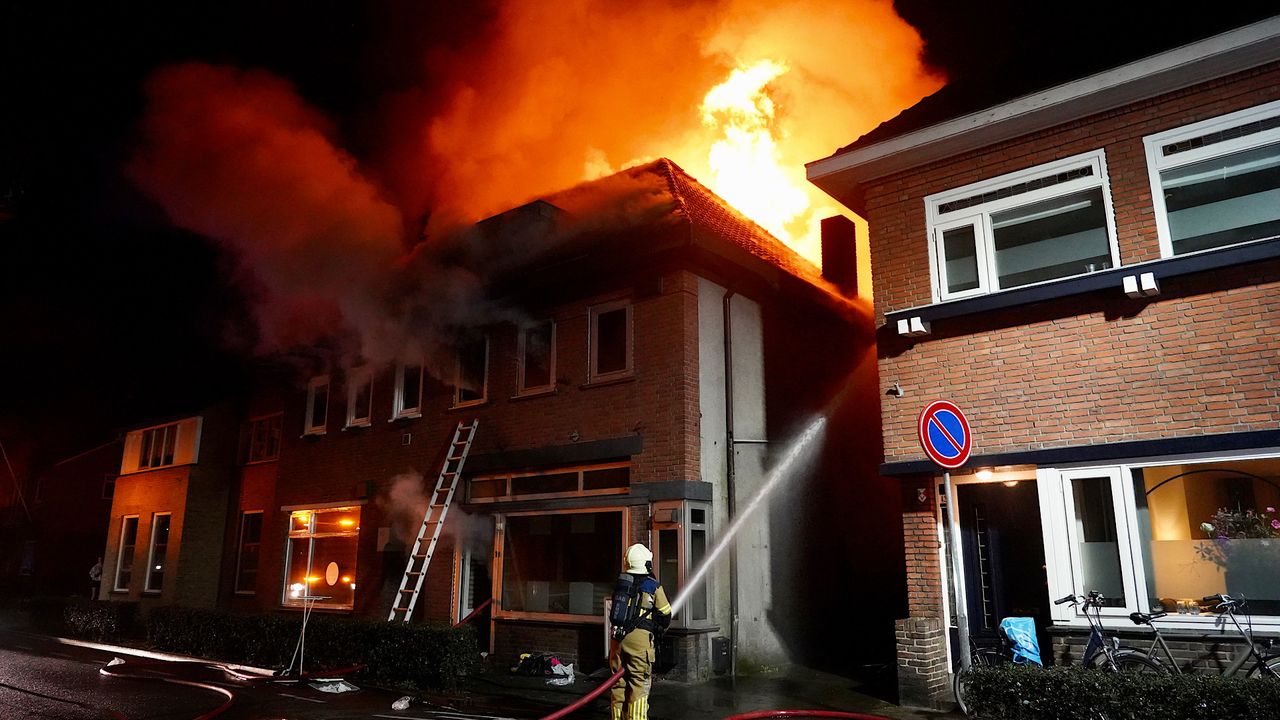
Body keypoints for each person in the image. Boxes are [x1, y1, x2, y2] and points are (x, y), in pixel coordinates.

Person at [609, 543, 670, 720]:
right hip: (639, 641)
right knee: (639, 683)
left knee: (618, 685)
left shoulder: (621, 583)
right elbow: (665, 613)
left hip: (617, 639)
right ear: (647, 564)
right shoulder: (653, 586)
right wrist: (658, 628)